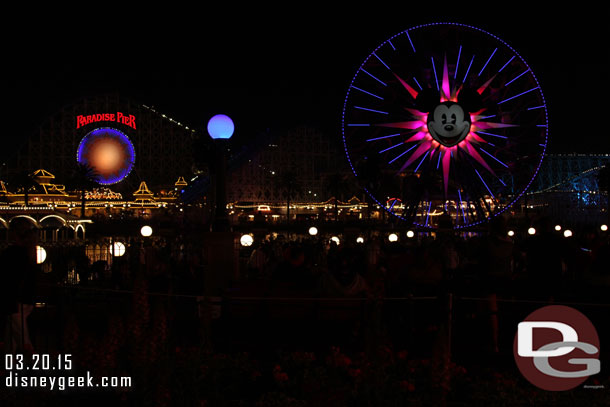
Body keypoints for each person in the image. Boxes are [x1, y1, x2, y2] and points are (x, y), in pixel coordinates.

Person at [1, 218, 39, 353]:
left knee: (22, 337)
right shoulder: (28, 253)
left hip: (15, 299)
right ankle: (8, 364)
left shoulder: (12, 253)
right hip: (27, 298)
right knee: (12, 335)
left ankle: (35, 364)